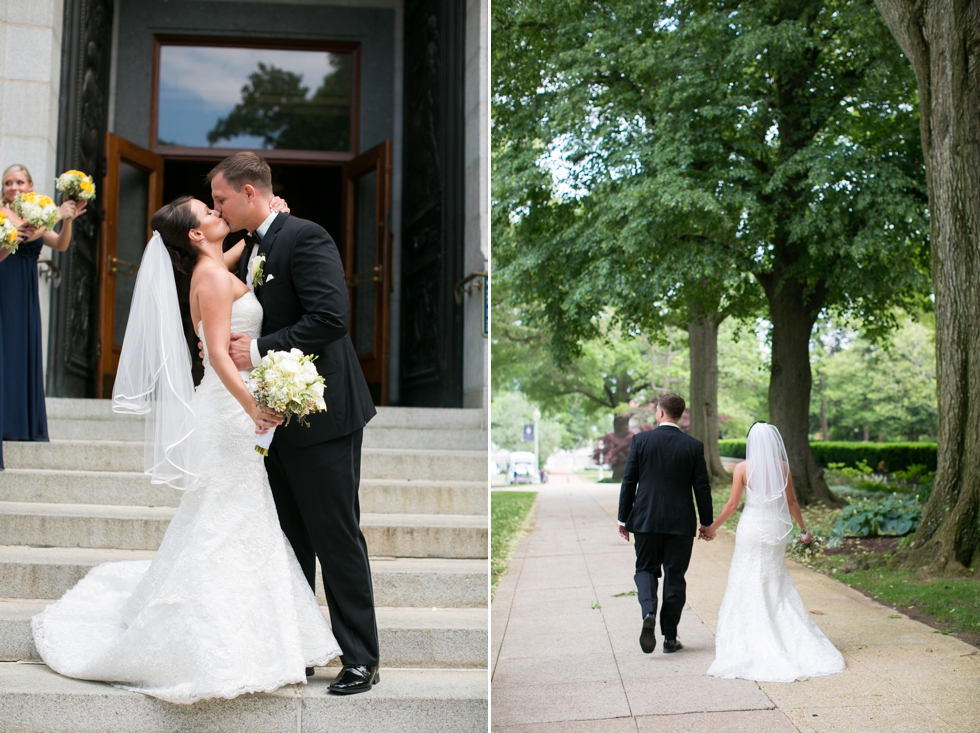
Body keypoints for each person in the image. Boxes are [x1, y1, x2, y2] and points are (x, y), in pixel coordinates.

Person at [30, 195, 341, 704]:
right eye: (209, 213)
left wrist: (269, 220)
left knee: (230, 517)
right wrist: (253, 409)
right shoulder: (213, 278)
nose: (219, 214)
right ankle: (220, 644)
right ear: (197, 236)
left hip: (226, 410)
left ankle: (252, 636)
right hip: (228, 411)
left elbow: (232, 261)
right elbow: (218, 355)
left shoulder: (212, 266)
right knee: (228, 519)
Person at [208, 151, 380, 694]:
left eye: (221, 199)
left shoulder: (305, 236)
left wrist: (257, 349)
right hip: (276, 418)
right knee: (291, 538)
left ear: (250, 193)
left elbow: (330, 317)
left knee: (335, 536)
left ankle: (359, 658)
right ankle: (301, 645)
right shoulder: (258, 243)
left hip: (323, 414)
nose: (217, 207)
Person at [705, 421, 845, 682]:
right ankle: (783, 630)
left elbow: (733, 503)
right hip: (774, 530)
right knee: (774, 579)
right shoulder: (783, 468)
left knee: (746, 576)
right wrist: (803, 530)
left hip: (751, 528)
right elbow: (791, 501)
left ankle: (752, 634)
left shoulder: (742, 468)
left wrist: (713, 527)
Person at [617, 394, 714, 654]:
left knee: (646, 569)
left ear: (660, 413)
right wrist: (707, 523)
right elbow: (702, 488)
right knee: (675, 577)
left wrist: (623, 518)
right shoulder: (693, 446)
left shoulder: (641, 441)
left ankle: (648, 611)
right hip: (680, 522)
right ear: (679, 415)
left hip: (646, 520)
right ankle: (670, 638)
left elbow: (629, 482)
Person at [0, 164, 86, 442]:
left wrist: (68, 219)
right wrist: (55, 214)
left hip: (25, 288)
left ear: (31, 185)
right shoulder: (2, 213)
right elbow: (22, 235)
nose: (14, 187)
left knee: (21, 347)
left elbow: (60, 244)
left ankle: (20, 423)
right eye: (8, 183)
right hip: (4, 283)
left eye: (20, 182)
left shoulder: (35, 210)